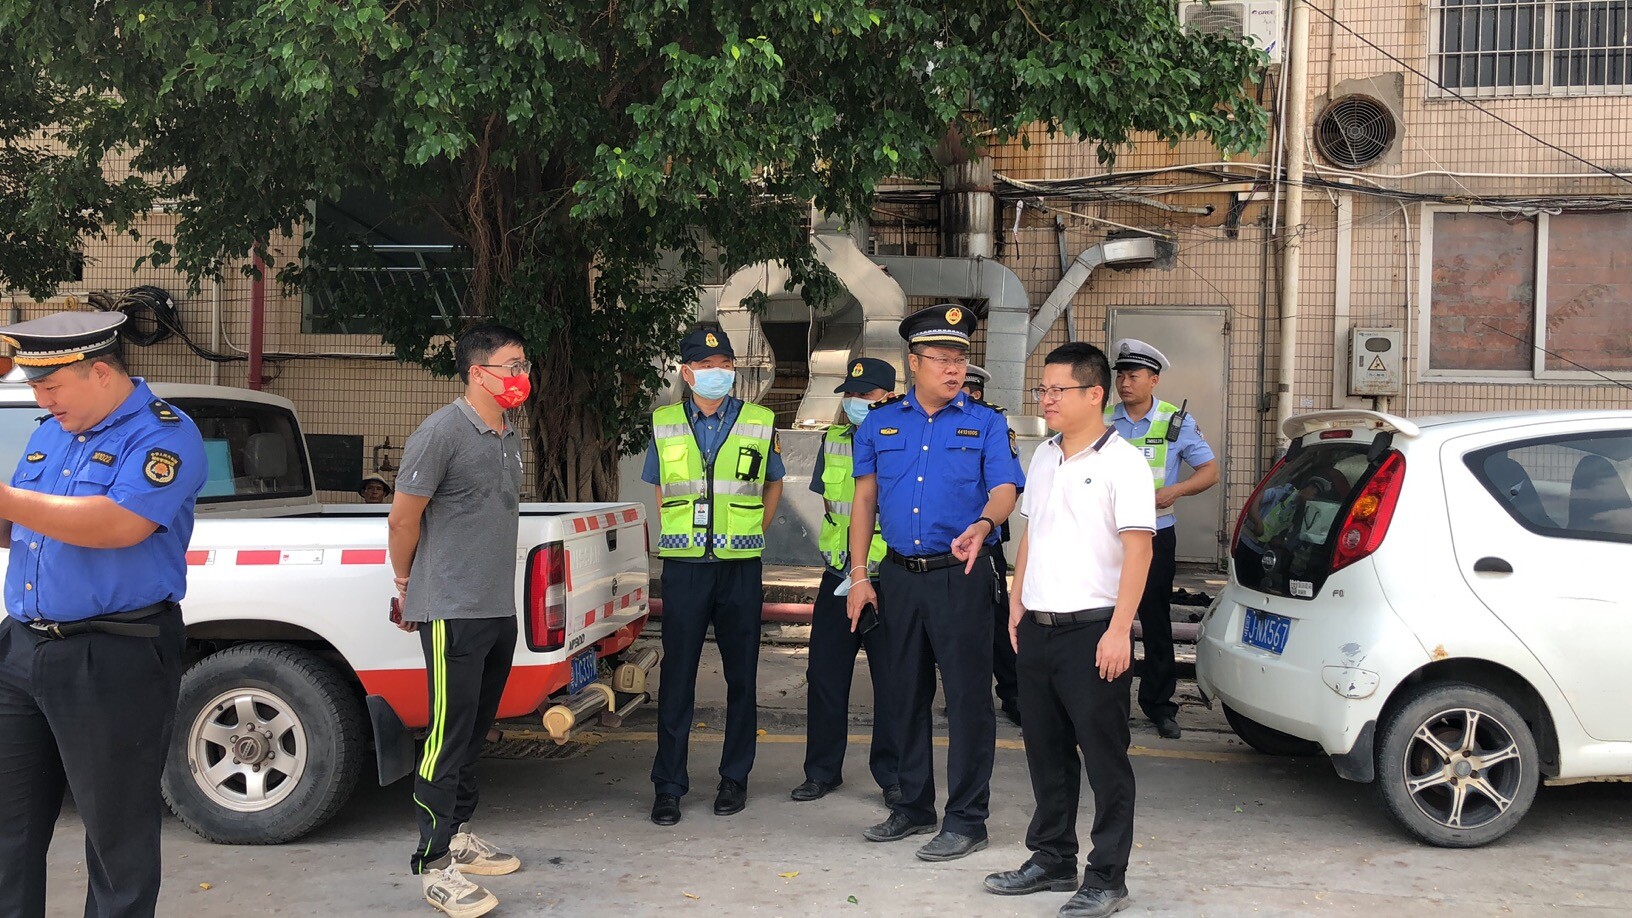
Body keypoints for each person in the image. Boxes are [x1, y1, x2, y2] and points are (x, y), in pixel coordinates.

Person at [0, 311, 206, 918]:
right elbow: (20, 527)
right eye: (35, 387)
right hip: (22, 646)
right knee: (9, 827)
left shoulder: (163, 435)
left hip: (112, 651)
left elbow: (119, 524)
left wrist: (5, 499)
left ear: (99, 372)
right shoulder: (52, 432)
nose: (42, 399)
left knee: (117, 838)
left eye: (50, 386)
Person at [846, 303, 1023, 862]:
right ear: (913, 362)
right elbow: (864, 501)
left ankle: (968, 820)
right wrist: (859, 575)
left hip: (962, 576)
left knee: (968, 700)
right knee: (903, 694)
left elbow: (1005, 489)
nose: (953, 368)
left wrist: (985, 524)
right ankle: (913, 805)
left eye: (960, 358)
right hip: (899, 577)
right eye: (942, 358)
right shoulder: (879, 423)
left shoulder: (986, 423)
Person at [984, 341, 1154, 918]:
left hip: (1094, 631)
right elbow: (1033, 532)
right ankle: (1053, 857)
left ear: (1095, 394)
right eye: (1043, 389)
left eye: (1058, 390)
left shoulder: (1123, 463)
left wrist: (1120, 630)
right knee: (1046, 752)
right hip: (1038, 628)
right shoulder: (1044, 456)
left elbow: (1139, 551)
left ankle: (1107, 876)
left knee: (1105, 759)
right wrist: (1017, 601)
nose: (1047, 399)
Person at [389, 324, 530, 918]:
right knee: (446, 737)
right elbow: (403, 519)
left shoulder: (508, 433)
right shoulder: (441, 432)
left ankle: (461, 835)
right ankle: (433, 862)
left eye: (524, 365)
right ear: (478, 372)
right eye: (512, 365)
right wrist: (405, 587)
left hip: (496, 607)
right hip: (452, 609)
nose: (522, 376)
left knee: (475, 730)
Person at [644, 326, 784, 826]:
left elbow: (773, 484)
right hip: (684, 568)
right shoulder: (665, 423)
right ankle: (669, 786)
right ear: (687, 373)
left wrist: (751, 531)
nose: (718, 373)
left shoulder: (759, 421)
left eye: (725, 365)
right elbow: (661, 487)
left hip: (739, 568)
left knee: (741, 676)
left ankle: (734, 779)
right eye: (707, 367)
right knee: (677, 677)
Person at [791, 357, 899, 805]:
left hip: (888, 579)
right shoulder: (833, 441)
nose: (855, 402)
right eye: (850, 394)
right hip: (838, 577)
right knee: (825, 676)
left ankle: (892, 776)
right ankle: (821, 771)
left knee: (892, 682)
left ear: (889, 396)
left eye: (865, 395)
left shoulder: (905, 441)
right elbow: (832, 507)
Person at [1105, 339, 1218, 740]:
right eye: (1120, 375)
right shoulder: (1103, 419)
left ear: (1153, 380)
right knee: (1105, 618)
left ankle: (1159, 705)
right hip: (1107, 536)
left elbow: (1209, 471)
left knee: (1154, 620)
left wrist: (1176, 491)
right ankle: (1109, 704)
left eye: (1133, 375)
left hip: (1155, 533)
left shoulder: (1176, 421)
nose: (1124, 382)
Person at [962, 363, 1021, 728]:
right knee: (958, 628)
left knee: (997, 621)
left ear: (976, 394)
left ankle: (1014, 693)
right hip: (943, 544)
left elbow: (1011, 486)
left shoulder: (992, 426)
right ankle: (967, 696)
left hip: (985, 544)